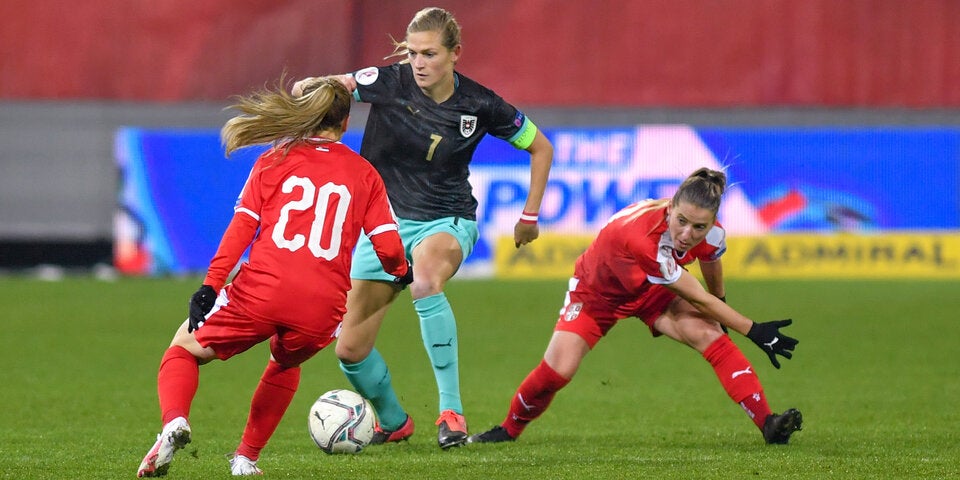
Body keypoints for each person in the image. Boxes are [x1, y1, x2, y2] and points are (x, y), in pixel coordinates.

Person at [292, 7, 553, 449]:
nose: (418, 63)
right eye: (412, 53)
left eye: (429, 54)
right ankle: (394, 421)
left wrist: (529, 216)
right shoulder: (389, 81)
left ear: (455, 54)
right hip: (384, 227)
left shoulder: (481, 104)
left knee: (426, 280)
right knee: (349, 351)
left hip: (447, 218)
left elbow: (540, 147)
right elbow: (345, 83)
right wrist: (313, 85)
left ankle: (451, 412)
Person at [135, 76, 412, 477]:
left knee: (182, 350)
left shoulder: (274, 160)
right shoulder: (365, 174)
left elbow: (241, 229)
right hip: (323, 306)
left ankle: (174, 421)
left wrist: (210, 286)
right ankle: (246, 459)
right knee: (284, 364)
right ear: (345, 122)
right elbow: (387, 249)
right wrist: (403, 272)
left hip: (262, 290)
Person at [468, 168, 803, 446]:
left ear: (712, 223)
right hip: (597, 294)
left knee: (708, 333)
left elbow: (711, 265)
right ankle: (507, 430)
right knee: (559, 371)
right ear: (670, 207)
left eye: (699, 227)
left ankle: (768, 424)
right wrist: (755, 330)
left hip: (651, 291)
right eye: (682, 221)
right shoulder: (645, 240)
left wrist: (722, 309)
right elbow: (698, 296)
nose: (687, 234)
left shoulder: (713, 235)